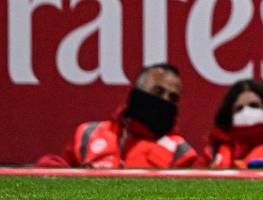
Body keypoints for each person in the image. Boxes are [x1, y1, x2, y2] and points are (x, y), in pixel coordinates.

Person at [35, 63, 197, 168]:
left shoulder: (181, 153)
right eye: (157, 92)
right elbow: (61, 173)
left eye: (172, 98)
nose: (165, 101)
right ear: (137, 92)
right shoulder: (88, 134)